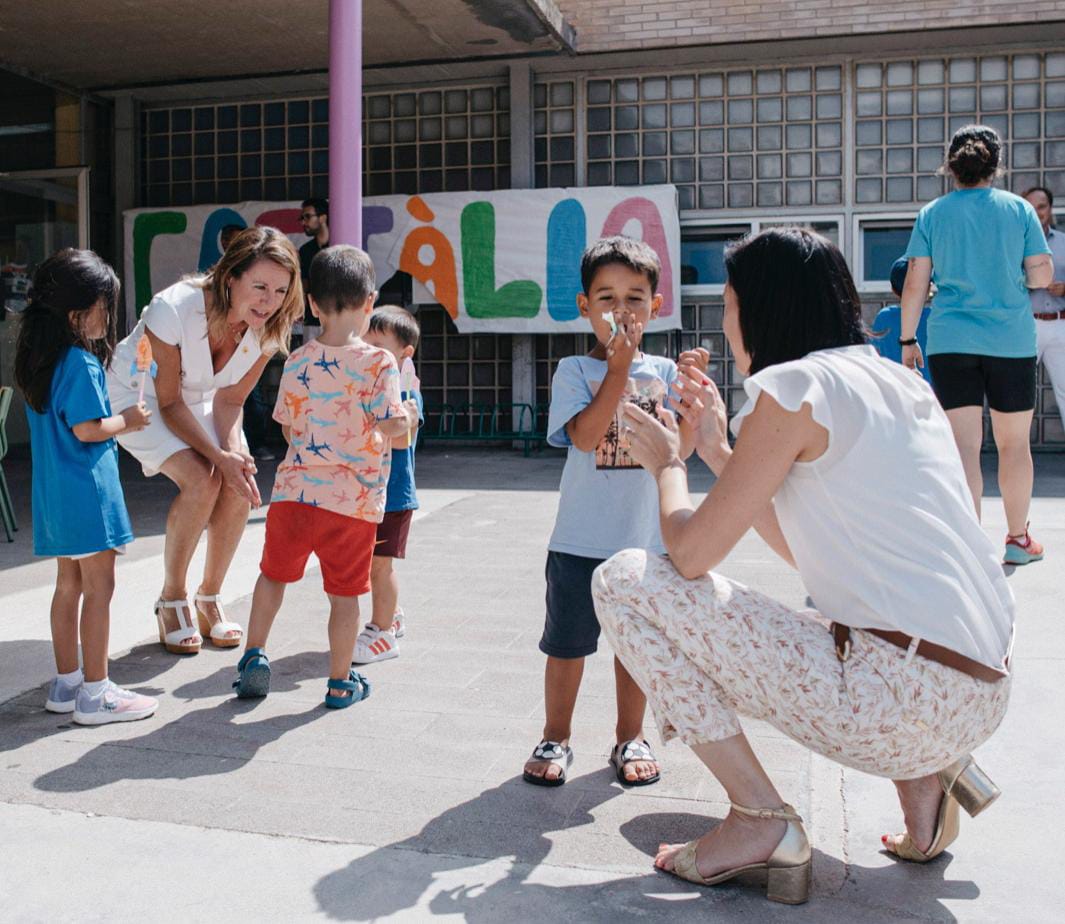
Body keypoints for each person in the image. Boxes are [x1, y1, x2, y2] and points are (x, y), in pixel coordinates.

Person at [592, 227, 1015, 905]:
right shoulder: (896, 379)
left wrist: (667, 463)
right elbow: (812, 553)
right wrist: (714, 449)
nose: (726, 321)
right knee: (841, 610)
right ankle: (925, 793)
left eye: (728, 303)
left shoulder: (792, 385)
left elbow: (691, 553)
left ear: (759, 307)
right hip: (976, 687)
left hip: (905, 701)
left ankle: (759, 820)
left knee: (622, 582)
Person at [522, 236, 694, 789]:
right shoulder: (574, 370)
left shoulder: (665, 371)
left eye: (635, 299)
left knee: (635, 648)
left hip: (644, 539)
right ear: (584, 306)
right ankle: (556, 736)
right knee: (567, 646)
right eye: (607, 299)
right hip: (579, 540)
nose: (621, 312)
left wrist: (691, 396)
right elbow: (584, 436)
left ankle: (629, 737)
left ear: (657, 305)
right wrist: (617, 373)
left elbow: (680, 452)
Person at [231, 245, 417, 708]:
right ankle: (339, 682)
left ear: (312, 303)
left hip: (294, 495)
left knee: (272, 577)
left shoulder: (296, 360)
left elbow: (289, 426)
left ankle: (254, 655)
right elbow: (394, 432)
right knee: (345, 596)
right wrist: (407, 418)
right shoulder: (380, 363)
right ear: (369, 302)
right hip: (352, 504)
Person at [106, 226, 303, 655]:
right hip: (138, 395)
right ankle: (172, 598)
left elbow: (230, 399)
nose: (269, 300)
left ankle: (209, 598)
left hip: (202, 399)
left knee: (237, 480)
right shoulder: (174, 308)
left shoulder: (271, 325)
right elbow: (170, 402)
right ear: (231, 277)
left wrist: (234, 454)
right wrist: (218, 456)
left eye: (280, 290)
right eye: (260, 286)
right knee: (202, 479)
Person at [15, 249, 158, 725]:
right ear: (77, 313)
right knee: (101, 588)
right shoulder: (79, 362)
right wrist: (130, 419)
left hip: (54, 494)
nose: (108, 318)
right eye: (105, 307)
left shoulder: (40, 360)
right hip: (89, 492)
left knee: (68, 586)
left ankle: (67, 682)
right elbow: (88, 428)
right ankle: (97, 693)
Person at [899, 125, 1053, 565]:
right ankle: (1018, 540)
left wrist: (908, 337)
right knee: (1013, 445)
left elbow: (915, 281)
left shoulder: (933, 214)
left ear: (951, 165)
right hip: (1010, 341)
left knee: (963, 447)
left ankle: (968, 547)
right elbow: (1041, 275)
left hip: (951, 341)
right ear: (995, 165)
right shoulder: (1019, 210)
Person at [353, 306, 424, 664]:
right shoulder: (368, 386)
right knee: (368, 563)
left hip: (394, 496)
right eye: (365, 341)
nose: (369, 350)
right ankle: (391, 614)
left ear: (404, 354)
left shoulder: (408, 392)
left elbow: (399, 439)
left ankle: (381, 632)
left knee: (380, 565)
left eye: (378, 344)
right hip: (366, 493)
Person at [1023, 186, 1065, 433]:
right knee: (1018, 390)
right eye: (1031, 207)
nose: (1038, 212)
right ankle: (1013, 453)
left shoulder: (1063, 242)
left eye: (1042, 206)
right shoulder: (1015, 244)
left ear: (1050, 208)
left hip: (1060, 323)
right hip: (1027, 324)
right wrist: (1029, 283)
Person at [870, 256, 931, 384]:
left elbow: (874, 357)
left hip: (894, 394)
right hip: (932, 396)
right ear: (926, 288)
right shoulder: (934, 318)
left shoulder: (883, 317)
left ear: (893, 290)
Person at [298, 198, 329, 344]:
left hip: (337, 317)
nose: (303, 222)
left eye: (307, 217)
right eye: (302, 218)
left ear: (322, 218)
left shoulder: (340, 244)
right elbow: (304, 283)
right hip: (312, 319)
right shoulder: (305, 250)